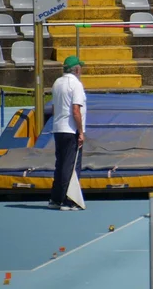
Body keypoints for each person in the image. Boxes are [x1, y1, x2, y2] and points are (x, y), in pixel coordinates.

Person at [49, 56, 87, 211]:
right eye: (81, 68)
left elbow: (53, 108)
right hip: (70, 129)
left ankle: (56, 198)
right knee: (70, 166)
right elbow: (76, 110)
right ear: (76, 69)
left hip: (58, 128)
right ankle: (69, 200)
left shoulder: (57, 83)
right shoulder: (75, 85)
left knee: (60, 164)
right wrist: (80, 131)